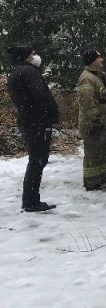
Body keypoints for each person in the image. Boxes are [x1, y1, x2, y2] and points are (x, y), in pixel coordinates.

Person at [7, 46, 59, 212]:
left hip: (28, 121)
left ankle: (30, 200)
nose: (36, 56)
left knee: (36, 161)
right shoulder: (30, 72)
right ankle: (31, 201)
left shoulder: (16, 72)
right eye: (33, 54)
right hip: (37, 122)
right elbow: (40, 96)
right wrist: (50, 115)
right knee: (37, 161)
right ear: (26, 57)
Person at [77, 49, 106, 191]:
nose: (102, 60)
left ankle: (102, 178)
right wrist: (95, 118)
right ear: (92, 60)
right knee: (93, 152)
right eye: (99, 58)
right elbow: (86, 100)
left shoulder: (99, 75)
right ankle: (91, 181)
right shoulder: (86, 78)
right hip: (92, 123)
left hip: (101, 121)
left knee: (103, 150)